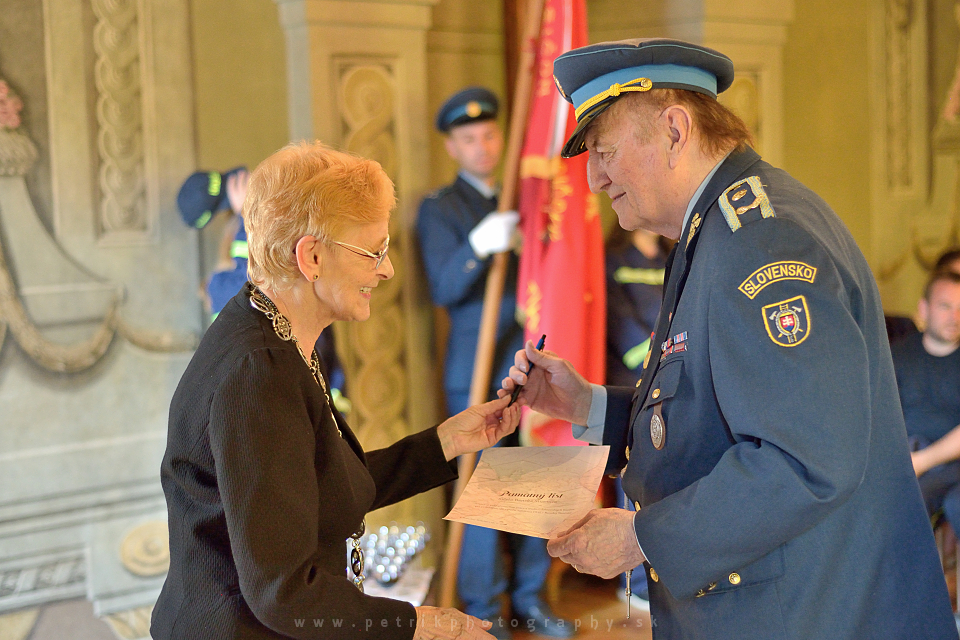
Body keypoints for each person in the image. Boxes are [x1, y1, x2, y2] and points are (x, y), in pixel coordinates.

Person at [501, 38, 956, 638]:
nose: (593, 178)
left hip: (812, 614)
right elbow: (711, 415)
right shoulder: (717, 230)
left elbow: (805, 458)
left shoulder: (761, 241)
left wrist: (642, 538)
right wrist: (587, 405)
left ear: (674, 130)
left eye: (605, 152)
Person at [151, 142, 522, 640]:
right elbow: (283, 592)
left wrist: (447, 442)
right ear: (312, 256)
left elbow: (322, 487)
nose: (386, 270)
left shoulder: (275, 332)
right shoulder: (258, 370)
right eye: (373, 251)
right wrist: (418, 624)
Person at [416, 88, 571, 640]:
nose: (481, 147)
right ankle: (485, 608)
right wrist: (479, 247)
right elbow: (443, 287)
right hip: (476, 371)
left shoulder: (526, 199)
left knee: (533, 482)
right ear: (452, 147)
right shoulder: (440, 209)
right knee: (483, 491)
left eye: (488, 135)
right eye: (468, 139)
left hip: (529, 365)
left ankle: (530, 597)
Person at [603, 225, 670, 612]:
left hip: (672, 383)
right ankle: (636, 583)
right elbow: (622, 328)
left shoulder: (671, 258)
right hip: (631, 384)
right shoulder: (613, 260)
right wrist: (672, 354)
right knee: (634, 481)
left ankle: (663, 573)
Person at [894, 270, 960, 532]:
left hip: (950, 464)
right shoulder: (898, 355)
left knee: (918, 500)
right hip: (904, 455)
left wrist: (921, 461)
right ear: (924, 309)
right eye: (945, 306)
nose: (955, 317)